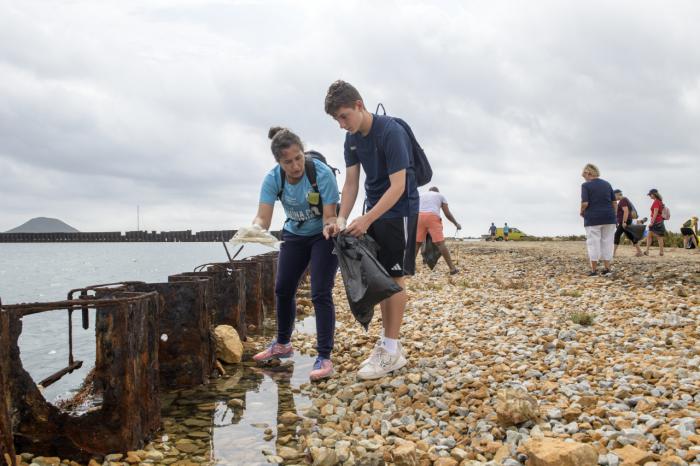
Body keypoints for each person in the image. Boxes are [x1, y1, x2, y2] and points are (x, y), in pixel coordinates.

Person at [323, 80, 418, 380]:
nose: (341, 124)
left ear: (359, 105)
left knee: (395, 276)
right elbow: (351, 183)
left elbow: (399, 185)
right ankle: (389, 345)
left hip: (400, 209)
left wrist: (366, 220)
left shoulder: (391, 131)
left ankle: (391, 348)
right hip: (375, 209)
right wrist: (341, 219)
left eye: (343, 116)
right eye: (337, 119)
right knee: (379, 276)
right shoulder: (351, 139)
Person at [251, 127, 340, 381]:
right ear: (279, 162)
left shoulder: (320, 173)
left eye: (298, 158)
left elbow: (330, 215)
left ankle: (324, 355)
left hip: (324, 233)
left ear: (303, 153)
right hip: (294, 233)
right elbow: (263, 218)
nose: (296, 166)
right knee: (282, 288)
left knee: (320, 291)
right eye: (288, 162)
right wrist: (254, 229)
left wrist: (331, 226)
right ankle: (282, 344)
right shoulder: (272, 179)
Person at [580, 163, 616, 276]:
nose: (584, 178)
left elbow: (585, 203)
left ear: (588, 173)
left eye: (584, 175)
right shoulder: (607, 184)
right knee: (607, 242)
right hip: (609, 218)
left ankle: (594, 270)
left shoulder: (586, 185)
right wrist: (614, 215)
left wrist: (581, 211)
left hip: (593, 218)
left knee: (593, 242)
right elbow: (614, 202)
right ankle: (607, 268)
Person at [415, 186, 461, 274]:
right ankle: (452, 269)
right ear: (437, 192)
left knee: (417, 244)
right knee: (440, 244)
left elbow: (414, 208)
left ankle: (410, 268)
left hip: (419, 217)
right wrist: (456, 223)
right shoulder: (440, 196)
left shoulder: (421, 195)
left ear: (429, 191)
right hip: (432, 217)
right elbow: (447, 213)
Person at [613, 189, 643, 257]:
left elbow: (626, 211)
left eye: (613, 195)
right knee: (631, 236)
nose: (613, 197)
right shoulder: (623, 200)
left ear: (616, 194)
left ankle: (613, 253)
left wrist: (624, 222)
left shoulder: (623, 200)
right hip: (626, 220)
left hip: (625, 221)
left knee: (617, 235)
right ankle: (640, 252)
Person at [644, 188, 666, 256]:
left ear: (654, 194)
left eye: (650, 194)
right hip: (660, 221)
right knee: (658, 237)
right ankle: (660, 252)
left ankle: (648, 251)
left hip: (656, 221)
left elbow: (655, 213)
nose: (650, 196)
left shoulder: (656, 202)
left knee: (650, 236)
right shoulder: (660, 201)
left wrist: (652, 222)